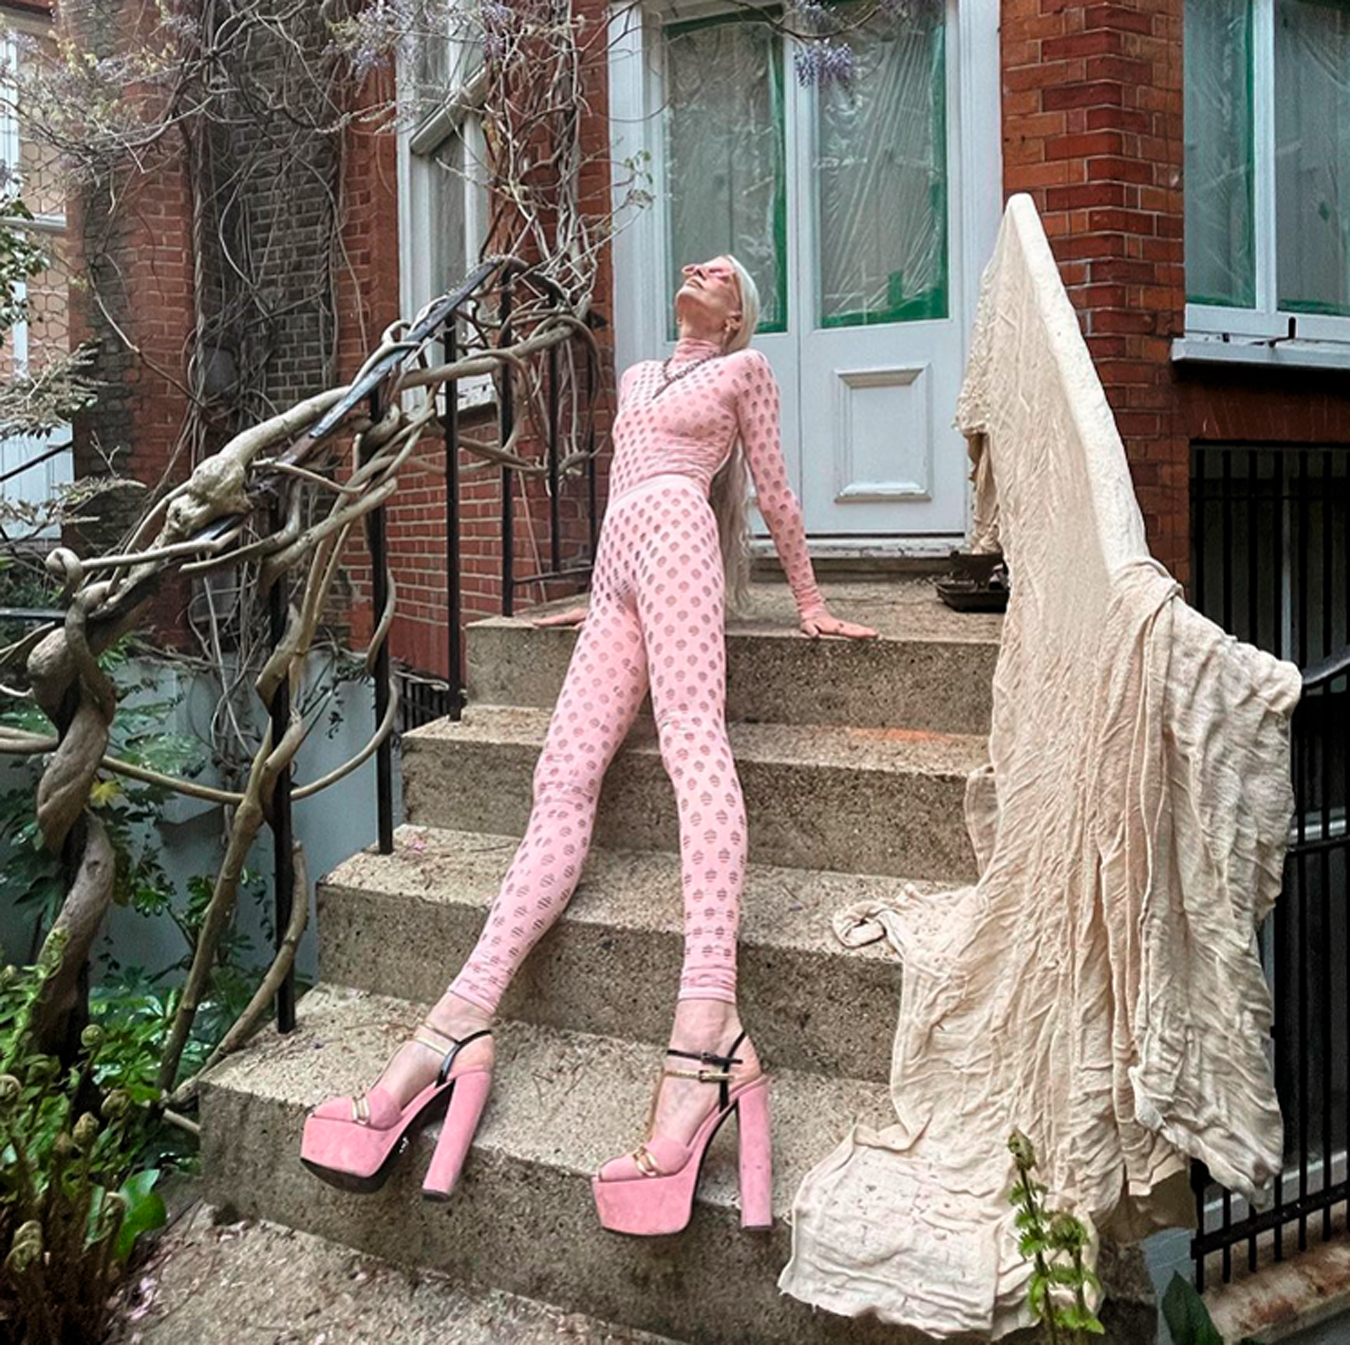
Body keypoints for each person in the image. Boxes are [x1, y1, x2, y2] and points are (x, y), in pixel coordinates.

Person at [299, 254, 879, 1233]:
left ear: (737, 314)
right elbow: (623, 490)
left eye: (721, 271)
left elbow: (772, 491)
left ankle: (708, 1022)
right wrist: (597, 601)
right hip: (617, 572)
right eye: (692, 262)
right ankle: (462, 1019)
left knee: (695, 741)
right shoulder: (642, 376)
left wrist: (811, 601)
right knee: (560, 776)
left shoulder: (747, 372)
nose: (695, 267)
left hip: (682, 549)